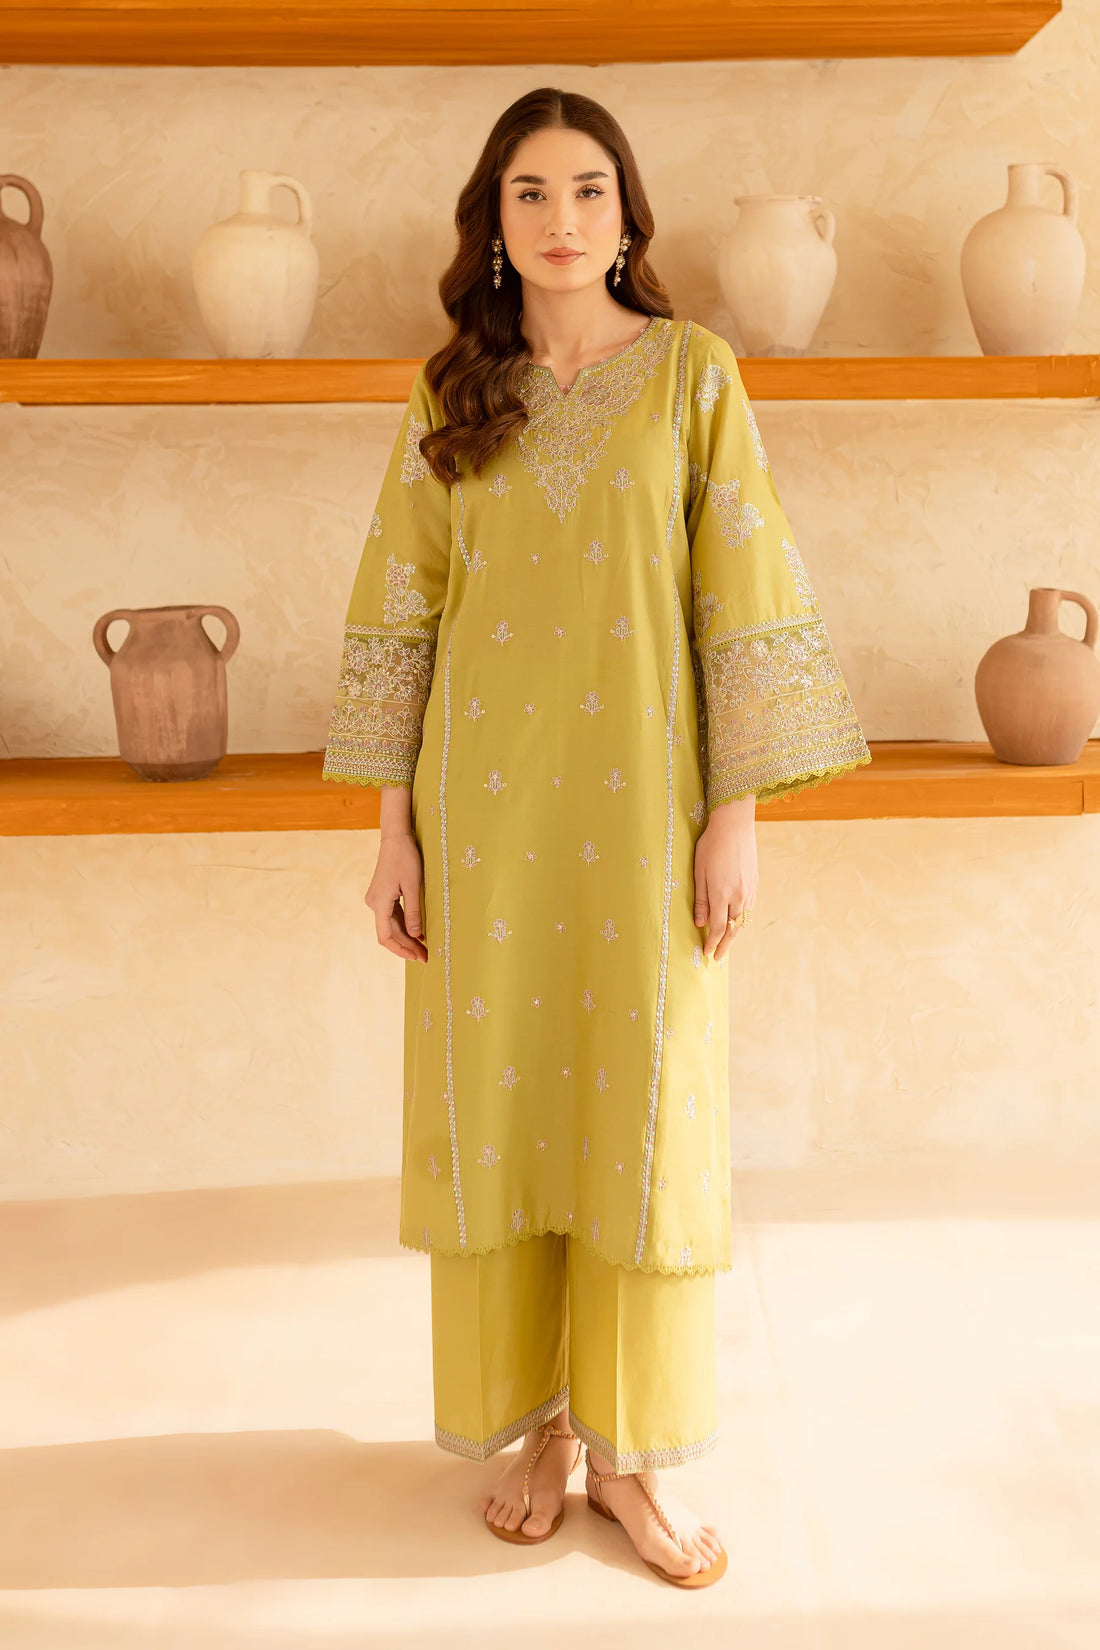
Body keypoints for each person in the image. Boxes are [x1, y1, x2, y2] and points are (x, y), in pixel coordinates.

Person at [321, 86, 870, 1588]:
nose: (560, 219)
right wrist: (393, 832)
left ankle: (631, 1459)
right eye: (529, 194)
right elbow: (401, 606)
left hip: (645, 808)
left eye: (586, 190)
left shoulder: (694, 375)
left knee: (643, 1103)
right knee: (507, 1102)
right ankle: (543, 1430)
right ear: (492, 225)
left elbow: (740, 597)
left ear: (627, 215)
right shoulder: (452, 391)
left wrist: (734, 816)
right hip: (482, 816)